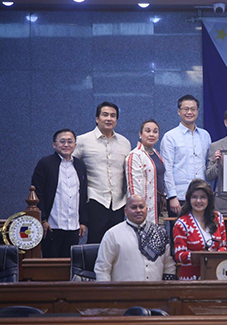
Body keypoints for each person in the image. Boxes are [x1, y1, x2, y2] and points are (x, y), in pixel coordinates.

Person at [73, 102, 131, 243]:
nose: (109, 119)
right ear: (97, 118)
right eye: (105, 115)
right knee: (95, 243)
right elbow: (68, 166)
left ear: (116, 120)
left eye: (113, 116)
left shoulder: (125, 142)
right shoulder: (82, 141)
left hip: (118, 202)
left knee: (117, 244)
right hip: (95, 200)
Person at [31, 129, 88, 258]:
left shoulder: (80, 165)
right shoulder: (45, 163)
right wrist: (43, 219)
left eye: (70, 141)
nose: (66, 145)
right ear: (54, 145)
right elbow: (37, 192)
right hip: (52, 226)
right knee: (50, 266)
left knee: (69, 266)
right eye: (62, 141)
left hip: (74, 226)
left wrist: (83, 221)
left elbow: (83, 195)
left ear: (75, 145)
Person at [94, 195, 176, 281]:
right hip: (123, 293)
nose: (138, 210)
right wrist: (106, 293)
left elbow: (169, 266)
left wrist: (167, 292)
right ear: (125, 211)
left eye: (141, 207)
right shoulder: (112, 234)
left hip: (155, 292)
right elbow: (102, 269)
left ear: (146, 209)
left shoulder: (160, 233)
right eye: (133, 207)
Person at [160, 95, 212, 217]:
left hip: (202, 197)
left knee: (201, 233)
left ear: (197, 111)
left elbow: (208, 165)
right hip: (179, 197)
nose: (189, 112)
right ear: (179, 111)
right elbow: (167, 169)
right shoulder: (170, 137)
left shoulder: (205, 135)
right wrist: (172, 196)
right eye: (186, 109)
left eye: (193, 109)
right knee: (179, 233)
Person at [173, 179, 227, 280]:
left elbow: (223, 246)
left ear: (209, 199)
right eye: (194, 197)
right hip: (191, 278)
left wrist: (216, 255)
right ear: (189, 199)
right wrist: (202, 257)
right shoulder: (181, 224)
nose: (198, 201)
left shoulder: (218, 218)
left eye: (203, 197)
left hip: (216, 275)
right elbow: (179, 255)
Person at [126, 119, 165, 225]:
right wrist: (138, 209)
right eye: (148, 131)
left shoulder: (156, 153)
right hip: (144, 208)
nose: (151, 134)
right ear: (140, 134)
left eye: (155, 131)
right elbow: (134, 188)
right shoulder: (135, 155)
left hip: (159, 207)